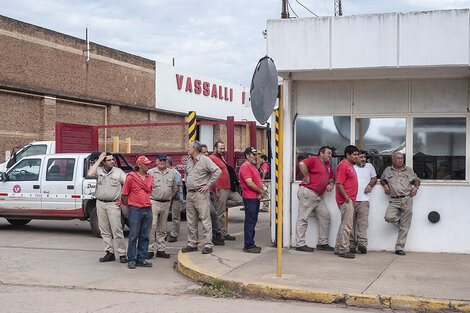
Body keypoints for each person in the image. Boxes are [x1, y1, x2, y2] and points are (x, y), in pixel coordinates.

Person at [181, 141, 221, 254]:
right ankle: (192, 243)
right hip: (190, 194)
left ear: (195, 149)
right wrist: (188, 186)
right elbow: (186, 174)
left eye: (189, 147)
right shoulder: (189, 161)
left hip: (201, 194)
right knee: (191, 220)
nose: (187, 148)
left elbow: (218, 171)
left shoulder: (205, 160)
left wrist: (208, 185)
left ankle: (208, 244)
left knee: (205, 219)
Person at [87, 152, 127, 263]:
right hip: (100, 203)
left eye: (112, 159)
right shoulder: (99, 171)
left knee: (117, 230)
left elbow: (128, 185)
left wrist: (123, 200)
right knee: (104, 230)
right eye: (109, 160)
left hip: (113, 204)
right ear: (103, 162)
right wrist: (99, 160)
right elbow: (90, 174)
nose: (112, 162)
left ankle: (122, 253)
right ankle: (109, 252)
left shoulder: (118, 172)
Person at [295, 146, 335, 252]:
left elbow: (331, 178)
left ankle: (322, 243)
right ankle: (300, 244)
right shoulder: (314, 159)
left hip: (317, 196)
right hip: (308, 192)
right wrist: (307, 176)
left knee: (325, 216)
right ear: (321, 153)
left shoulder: (327, 166)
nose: (330, 156)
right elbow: (301, 164)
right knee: (303, 218)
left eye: (331, 154)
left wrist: (331, 184)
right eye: (328, 153)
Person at [381, 152, 420, 256]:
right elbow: (382, 179)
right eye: (398, 158)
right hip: (394, 200)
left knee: (405, 225)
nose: (400, 160)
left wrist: (416, 188)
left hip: (407, 199)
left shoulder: (408, 170)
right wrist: (385, 186)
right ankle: (403, 226)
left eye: (401, 158)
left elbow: (416, 180)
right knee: (388, 217)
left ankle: (399, 248)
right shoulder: (388, 170)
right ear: (393, 160)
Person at [121, 155, 154, 269]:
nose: (148, 166)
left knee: (145, 236)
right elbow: (124, 194)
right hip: (135, 209)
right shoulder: (131, 177)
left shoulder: (149, 178)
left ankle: (141, 258)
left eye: (149, 164)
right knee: (133, 236)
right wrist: (129, 206)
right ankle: (131, 259)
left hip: (147, 209)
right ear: (139, 165)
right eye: (146, 164)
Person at [209, 140, 243, 241]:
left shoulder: (222, 157)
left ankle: (220, 206)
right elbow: (210, 174)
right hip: (220, 188)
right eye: (221, 148)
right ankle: (223, 233)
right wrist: (215, 190)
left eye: (223, 148)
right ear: (215, 148)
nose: (223, 150)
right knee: (220, 214)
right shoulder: (211, 158)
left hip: (229, 187)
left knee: (240, 200)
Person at [147, 154, 177, 259]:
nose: (162, 162)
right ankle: (150, 250)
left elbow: (174, 187)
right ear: (156, 161)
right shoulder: (150, 173)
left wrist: (169, 198)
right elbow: (146, 187)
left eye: (164, 160)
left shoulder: (172, 173)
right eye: (160, 160)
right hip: (154, 202)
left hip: (166, 203)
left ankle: (161, 249)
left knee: (163, 228)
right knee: (152, 226)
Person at [334, 145, 359, 259]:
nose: (356, 157)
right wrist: (347, 198)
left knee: (343, 224)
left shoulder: (350, 165)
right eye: (354, 155)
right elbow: (339, 183)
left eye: (357, 155)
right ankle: (344, 249)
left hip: (349, 200)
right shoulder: (343, 166)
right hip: (346, 201)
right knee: (347, 226)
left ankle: (338, 248)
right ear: (347, 155)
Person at [239, 147, 266, 253]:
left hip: (254, 198)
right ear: (247, 155)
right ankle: (248, 245)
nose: (255, 157)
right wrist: (261, 191)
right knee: (250, 222)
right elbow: (249, 183)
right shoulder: (245, 167)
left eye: (256, 155)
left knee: (252, 221)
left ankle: (251, 243)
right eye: (253, 155)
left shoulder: (253, 167)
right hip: (250, 198)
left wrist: (260, 192)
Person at [351, 150, 377, 254]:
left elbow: (374, 178)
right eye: (361, 157)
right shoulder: (350, 167)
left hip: (364, 200)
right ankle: (351, 245)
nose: (363, 159)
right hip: (351, 199)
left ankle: (362, 244)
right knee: (350, 223)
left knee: (363, 223)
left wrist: (370, 185)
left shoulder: (370, 166)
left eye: (364, 157)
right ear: (355, 158)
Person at [166, 156, 184, 243]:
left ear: (168, 163)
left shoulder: (175, 173)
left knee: (175, 216)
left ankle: (174, 234)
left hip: (175, 198)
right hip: (168, 197)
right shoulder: (166, 172)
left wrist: (170, 197)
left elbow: (176, 188)